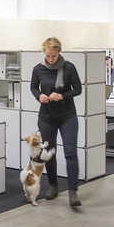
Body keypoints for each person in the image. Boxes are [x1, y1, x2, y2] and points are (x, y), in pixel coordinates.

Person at [30, 37, 83, 207]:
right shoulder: (38, 69)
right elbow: (33, 87)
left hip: (67, 116)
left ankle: (73, 191)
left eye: (53, 56)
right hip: (46, 118)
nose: (50, 59)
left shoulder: (69, 67)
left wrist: (62, 96)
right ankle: (53, 185)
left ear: (59, 52)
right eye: (48, 55)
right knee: (49, 153)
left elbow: (78, 89)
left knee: (70, 152)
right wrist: (39, 96)